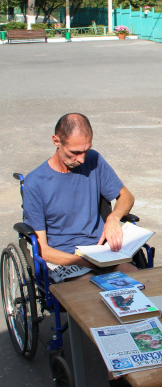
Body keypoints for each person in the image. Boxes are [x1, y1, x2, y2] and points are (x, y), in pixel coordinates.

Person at [23, 113, 139, 283]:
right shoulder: (35, 183)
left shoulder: (93, 159)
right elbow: (42, 249)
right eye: (75, 153)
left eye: (86, 150)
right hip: (65, 258)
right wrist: (87, 262)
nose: (82, 159)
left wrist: (113, 218)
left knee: (139, 280)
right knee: (90, 291)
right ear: (56, 141)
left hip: (101, 251)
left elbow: (126, 196)